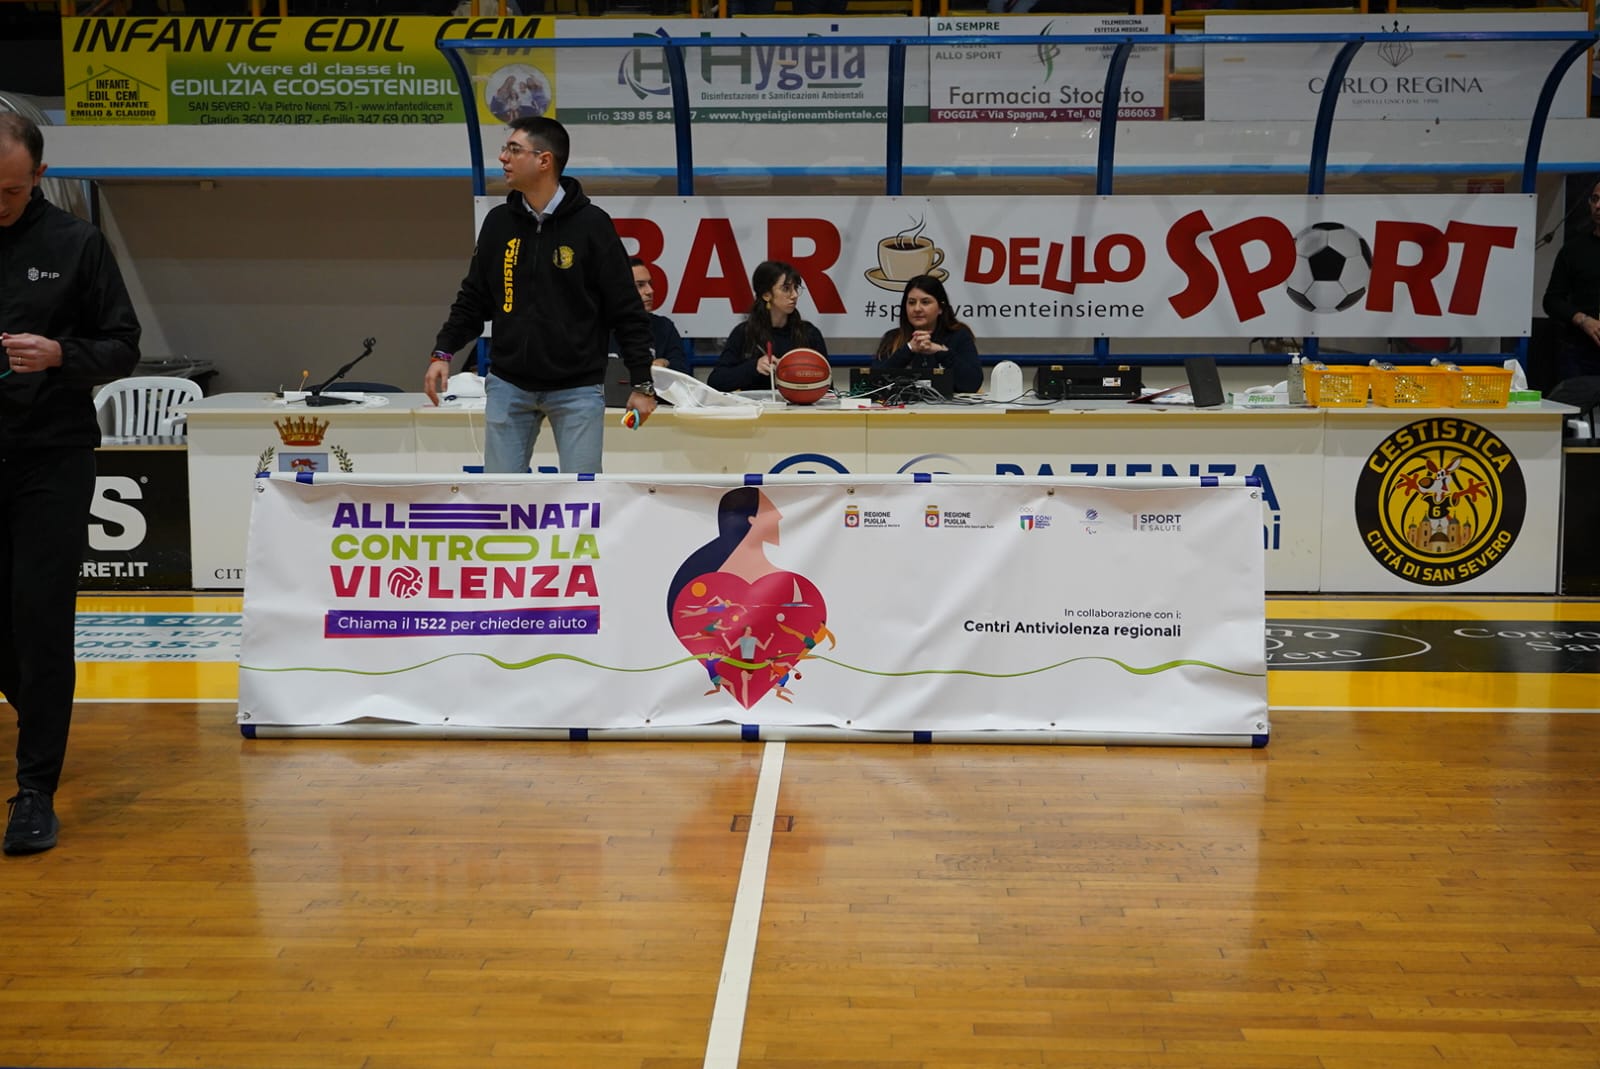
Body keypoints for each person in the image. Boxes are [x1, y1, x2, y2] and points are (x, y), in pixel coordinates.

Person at [0, 113, 141, 855]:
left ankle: (34, 792)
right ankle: (43, 710)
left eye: (11, 191)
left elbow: (122, 347)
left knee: (42, 616)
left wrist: (60, 354)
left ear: (39, 177)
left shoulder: (76, 244)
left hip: (50, 454)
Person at [426, 117, 655, 473]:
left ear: (544, 160)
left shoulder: (592, 224)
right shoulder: (498, 222)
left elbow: (625, 309)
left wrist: (642, 383)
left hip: (578, 388)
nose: (503, 157)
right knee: (501, 495)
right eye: (505, 149)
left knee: (581, 496)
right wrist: (443, 351)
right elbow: (473, 298)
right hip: (508, 384)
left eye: (514, 149)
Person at [707, 260, 827, 393]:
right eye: (786, 288)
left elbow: (827, 387)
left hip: (800, 405)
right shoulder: (745, 333)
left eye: (796, 288)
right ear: (766, 295)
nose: (794, 295)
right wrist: (754, 367)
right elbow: (715, 382)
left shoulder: (809, 333)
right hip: (756, 406)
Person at [872, 273, 983, 394]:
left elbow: (972, 384)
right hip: (903, 405)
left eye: (925, 302)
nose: (917, 309)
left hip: (948, 405)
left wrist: (941, 352)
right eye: (911, 302)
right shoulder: (893, 338)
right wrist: (909, 349)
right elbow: (873, 383)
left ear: (940, 308)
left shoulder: (959, 335)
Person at [1540, 177, 1600, 384]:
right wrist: (1583, 320)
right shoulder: (1574, 250)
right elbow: (1551, 301)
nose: (1598, 206)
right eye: (1595, 199)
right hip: (1582, 351)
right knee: (1574, 399)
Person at [614, 257, 690, 376]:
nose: (650, 291)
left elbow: (683, 373)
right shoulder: (596, 329)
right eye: (640, 285)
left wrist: (665, 363)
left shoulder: (663, 327)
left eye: (650, 283)